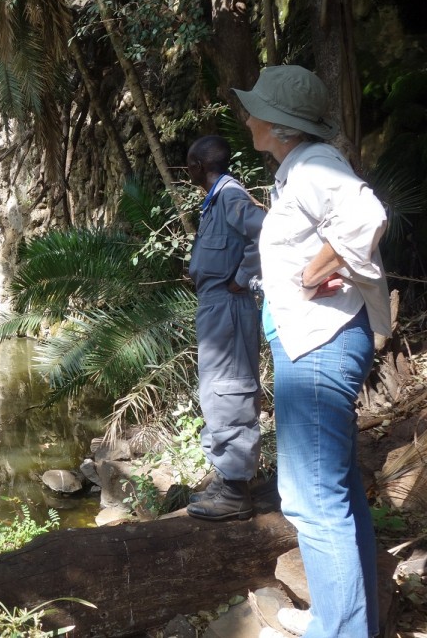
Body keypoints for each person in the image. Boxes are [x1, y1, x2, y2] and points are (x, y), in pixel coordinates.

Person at [233, 65, 390, 638]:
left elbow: (366, 215)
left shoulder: (314, 166)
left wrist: (315, 271)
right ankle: (341, 618)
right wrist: (326, 263)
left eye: (254, 109)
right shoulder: (300, 167)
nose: (246, 116)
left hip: (320, 348)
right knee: (335, 492)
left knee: (313, 501)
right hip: (319, 343)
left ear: (277, 124)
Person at [183, 135, 267, 522]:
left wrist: (244, 275)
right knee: (216, 390)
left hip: (229, 306)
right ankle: (226, 476)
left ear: (198, 166)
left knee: (229, 389)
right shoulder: (217, 198)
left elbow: (265, 230)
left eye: (189, 164)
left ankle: (235, 491)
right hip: (216, 306)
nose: (188, 171)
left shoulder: (230, 194)